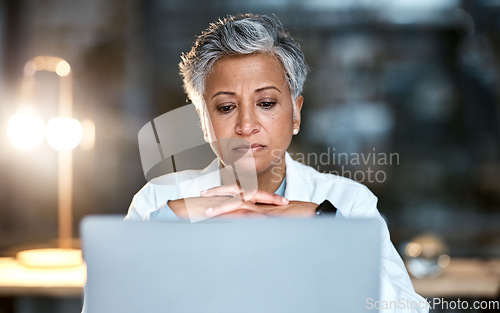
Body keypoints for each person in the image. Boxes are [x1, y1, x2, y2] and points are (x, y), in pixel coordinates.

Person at [83, 13, 428, 313]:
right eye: (225, 107)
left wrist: (326, 225)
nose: (246, 125)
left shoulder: (347, 203)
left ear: (295, 113)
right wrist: (169, 221)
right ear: (204, 123)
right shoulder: (158, 201)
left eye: (265, 103)